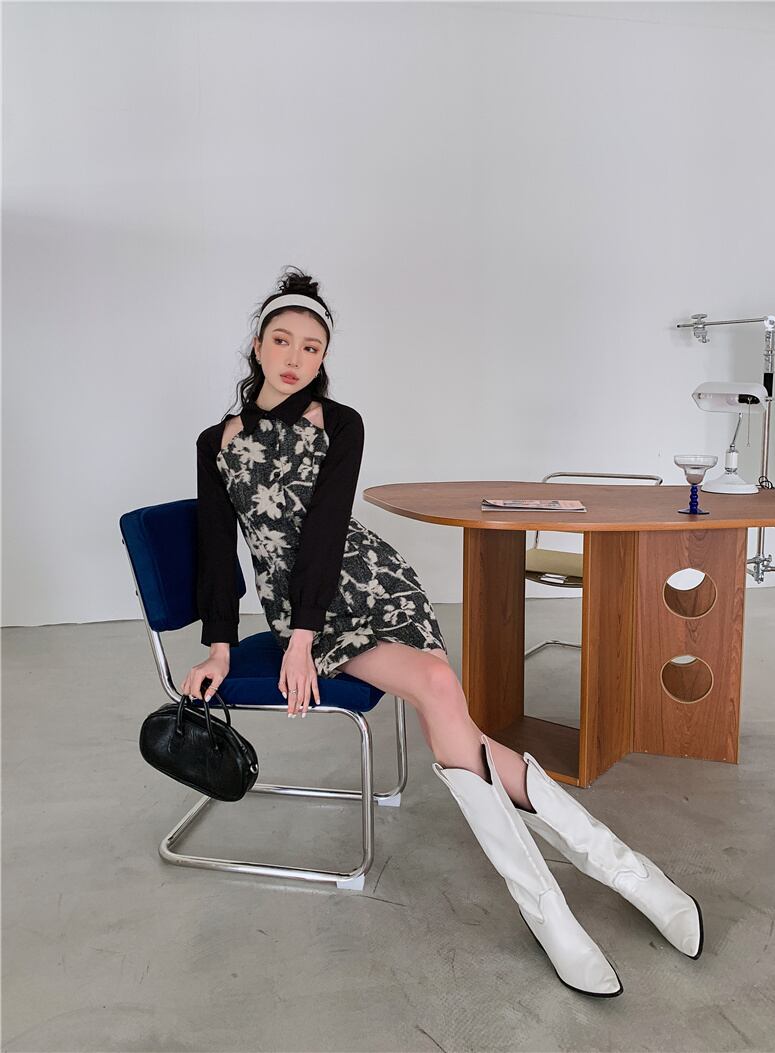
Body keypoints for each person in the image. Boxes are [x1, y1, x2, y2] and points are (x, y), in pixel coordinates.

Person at [180, 266, 703, 997]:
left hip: (369, 582)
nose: (295, 356)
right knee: (442, 693)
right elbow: (217, 552)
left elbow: (326, 531)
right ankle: (619, 880)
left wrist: (299, 640)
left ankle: (594, 892)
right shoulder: (216, 441)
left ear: (324, 357)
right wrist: (220, 648)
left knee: (445, 705)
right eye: (282, 340)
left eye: (312, 345)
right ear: (258, 346)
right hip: (305, 609)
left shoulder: (340, 423)